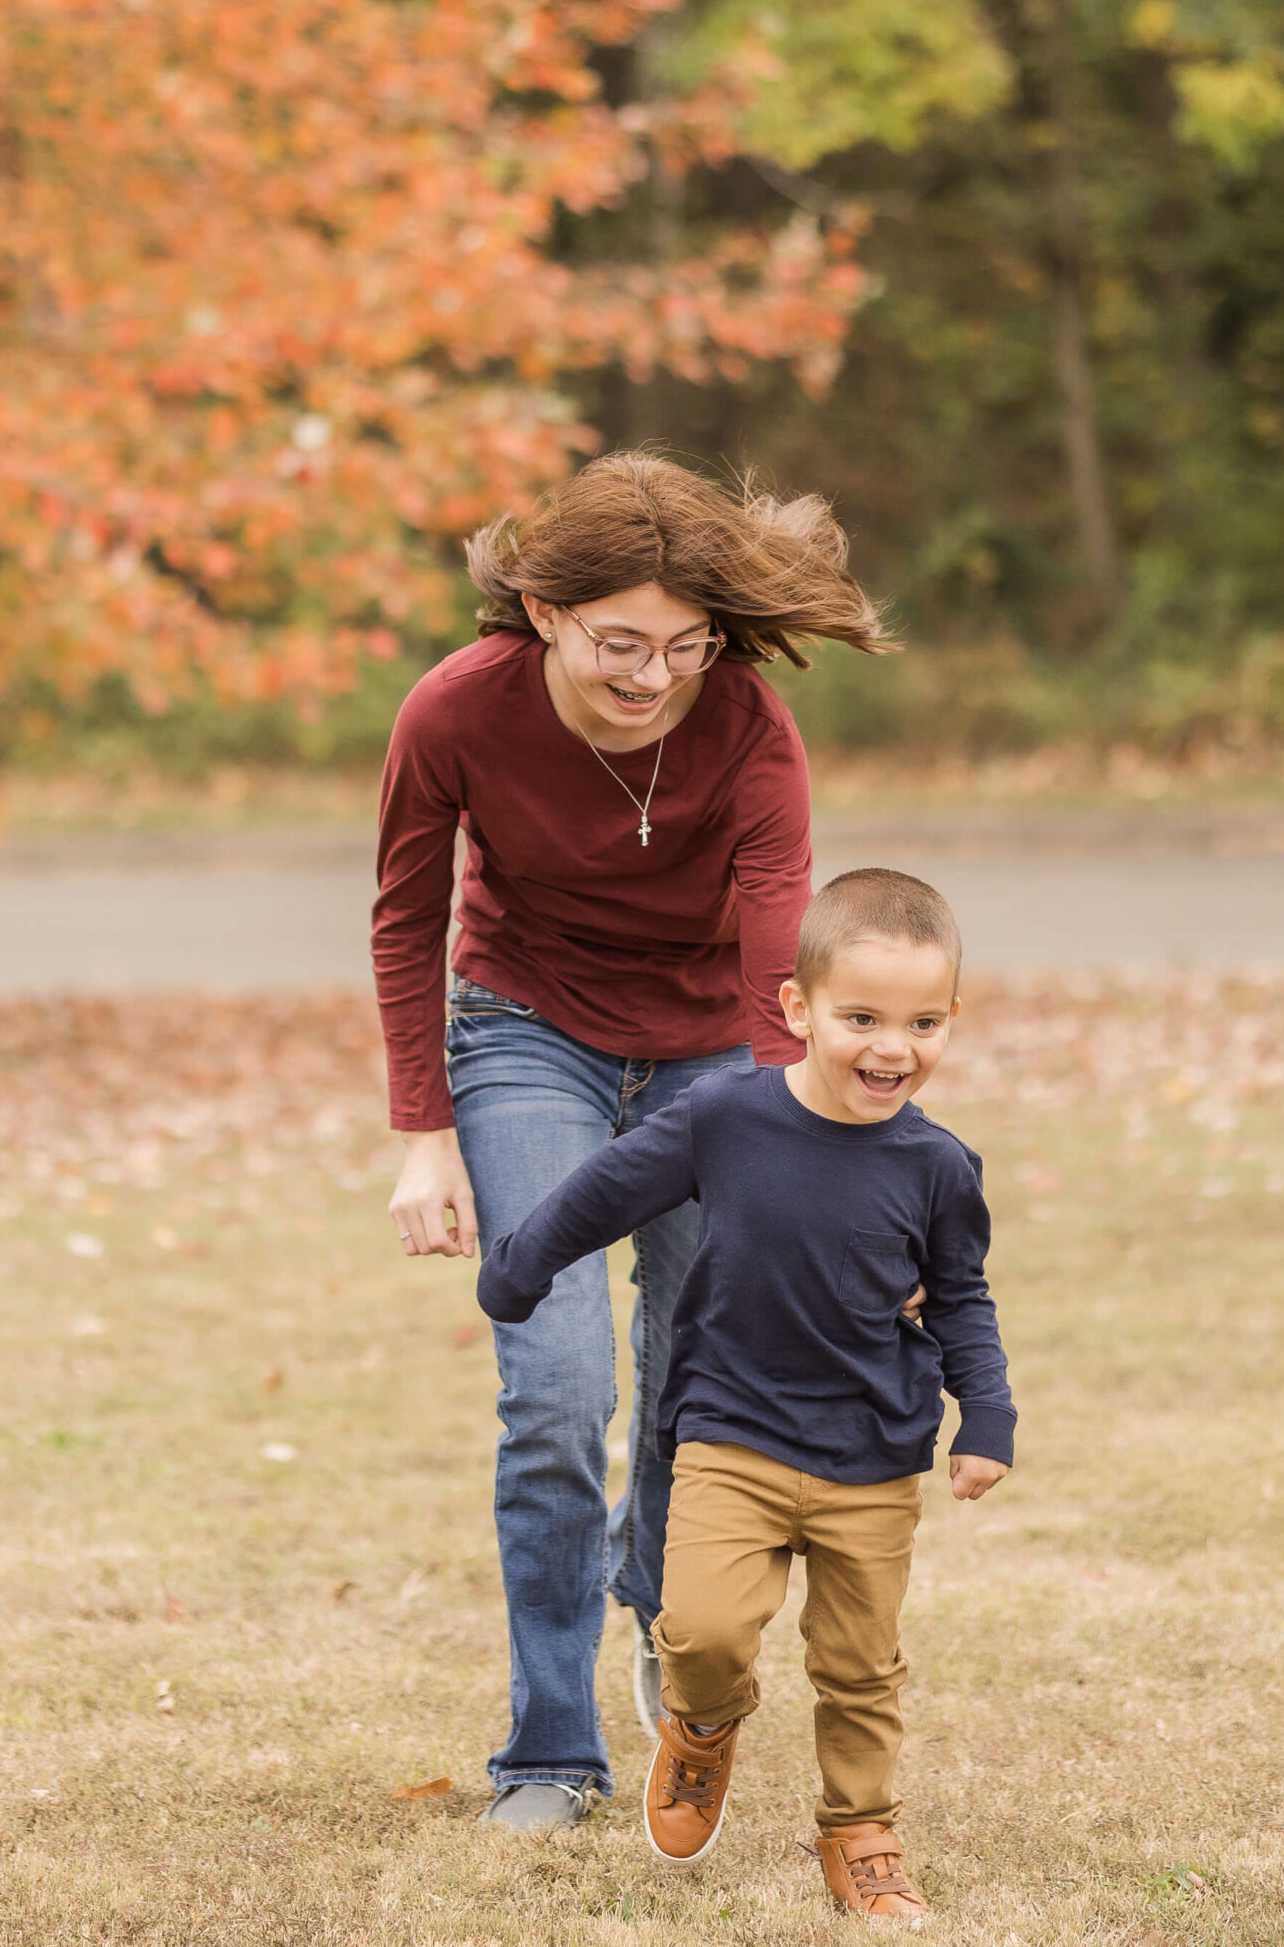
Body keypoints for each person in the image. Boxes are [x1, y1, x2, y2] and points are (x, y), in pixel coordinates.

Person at [373, 451, 894, 1827]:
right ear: (545, 611)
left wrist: (799, 1135)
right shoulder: (455, 712)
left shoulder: (748, 726)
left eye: (686, 644)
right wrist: (424, 1134)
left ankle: (666, 1608)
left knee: (701, 1363)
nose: (655, 674)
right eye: (621, 642)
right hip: (526, 1033)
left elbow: (775, 927)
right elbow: (405, 916)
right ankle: (550, 1745)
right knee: (555, 1388)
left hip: (712, 1050)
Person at [476, 869, 1014, 1918]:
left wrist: (983, 1414)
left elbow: (961, 1295)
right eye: (860, 1017)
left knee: (860, 1665)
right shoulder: (723, 1116)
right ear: (798, 1009)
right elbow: (604, 1187)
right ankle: (703, 1724)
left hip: (873, 1455)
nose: (889, 1047)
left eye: (920, 1021)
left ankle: (860, 1827)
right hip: (731, 1435)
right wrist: (522, 1263)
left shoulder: (940, 1164)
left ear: (952, 1018)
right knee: (703, 1627)